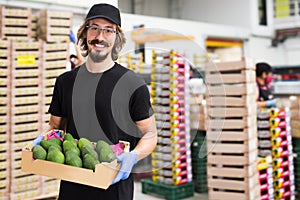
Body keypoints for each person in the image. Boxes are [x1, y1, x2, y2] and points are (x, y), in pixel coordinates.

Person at [47, 3, 157, 199]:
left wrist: (133, 156)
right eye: (94, 28)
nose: (100, 37)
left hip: (114, 189)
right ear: (84, 33)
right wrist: (46, 144)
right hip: (73, 186)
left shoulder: (132, 83)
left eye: (108, 30)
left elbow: (150, 134)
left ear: (117, 38)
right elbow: (56, 127)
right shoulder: (65, 82)